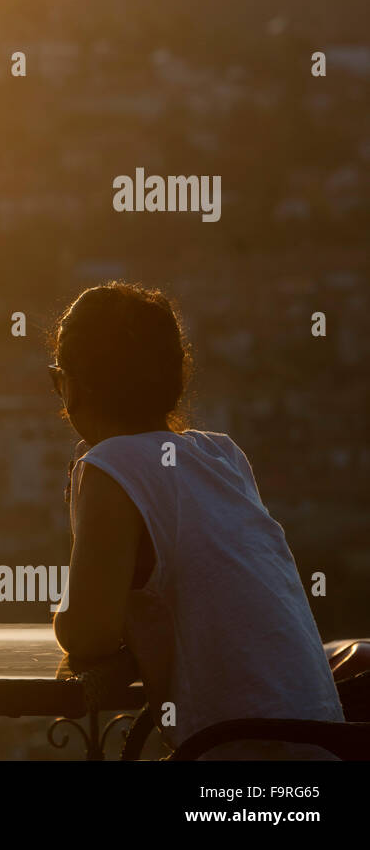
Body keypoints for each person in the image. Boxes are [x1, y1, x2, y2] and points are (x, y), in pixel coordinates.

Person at [48, 281, 344, 759]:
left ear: (74, 387)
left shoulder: (110, 466)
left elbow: (88, 633)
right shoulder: (223, 455)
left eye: (56, 379)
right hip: (322, 744)